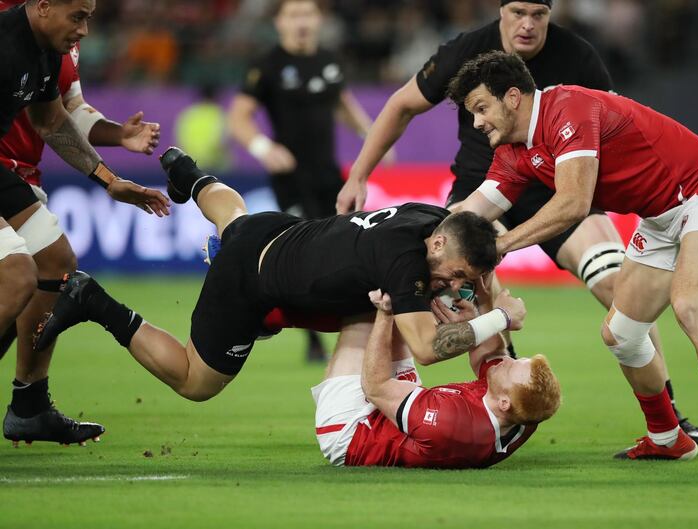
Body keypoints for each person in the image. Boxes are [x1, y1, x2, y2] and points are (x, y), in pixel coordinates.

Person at [335, 0, 698, 443]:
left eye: (539, 14)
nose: (527, 25)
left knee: (617, 288)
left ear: (552, 15)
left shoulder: (579, 57)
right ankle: (503, 410)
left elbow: (613, 129)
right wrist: (359, 174)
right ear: (500, 11)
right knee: (474, 289)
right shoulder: (467, 51)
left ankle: (666, 415)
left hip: (559, 193)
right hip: (485, 191)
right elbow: (401, 105)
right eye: (517, 12)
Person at [447, 50, 698, 469]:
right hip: (660, 218)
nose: (476, 122)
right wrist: (414, 237)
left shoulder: (569, 108)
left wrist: (502, 245)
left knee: (690, 304)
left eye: (480, 108)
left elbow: (573, 203)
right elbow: (470, 213)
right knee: (621, 333)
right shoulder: (514, 151)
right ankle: (667, 437)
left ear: (512, 97)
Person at [34, 147, 525, 406]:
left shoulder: (430, 218)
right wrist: (497, 318)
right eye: (452, 275)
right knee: (194, 382)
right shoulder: (405, 262)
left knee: (235, 221)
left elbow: (474, 236)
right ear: (437, 245)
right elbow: (426, 348)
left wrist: (484, 288)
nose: (451, 285)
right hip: (249, 280)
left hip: (284, 233)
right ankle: (92, 300)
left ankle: (189, 176)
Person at [0, 0, 169, 446]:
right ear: (42, 8)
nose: (86, 30)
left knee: (56, 262)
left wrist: (109, 180)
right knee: (17, 275)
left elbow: (50, 119)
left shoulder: (44, 49)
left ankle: (30, 405)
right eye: (78, 16)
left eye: (89, 16)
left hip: (9, 171)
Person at [228, 0, 384, 363]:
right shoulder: (267, 64)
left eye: (307, 14)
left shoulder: (328, 60)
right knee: (308, 254)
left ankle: (356, 327)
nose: (301, 22)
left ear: (318, 20)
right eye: (293, 15)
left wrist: (373, 135)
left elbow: (342, 102)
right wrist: (262, 146)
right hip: (291, 179)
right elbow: (239, 117)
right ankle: (312, 340)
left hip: (330, 176)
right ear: (280, 23)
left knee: (350, 245)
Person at [313, 286, 561, 468]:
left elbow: (375, 387)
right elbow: (492, 354)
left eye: (510, 367)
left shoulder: (451, 420)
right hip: (405, 413)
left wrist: (384, 315)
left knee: (363, 317)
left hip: (353, 431)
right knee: (404, 305)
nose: (507, 360)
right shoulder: (526, 409)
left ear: (504, 402)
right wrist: (479, 312)